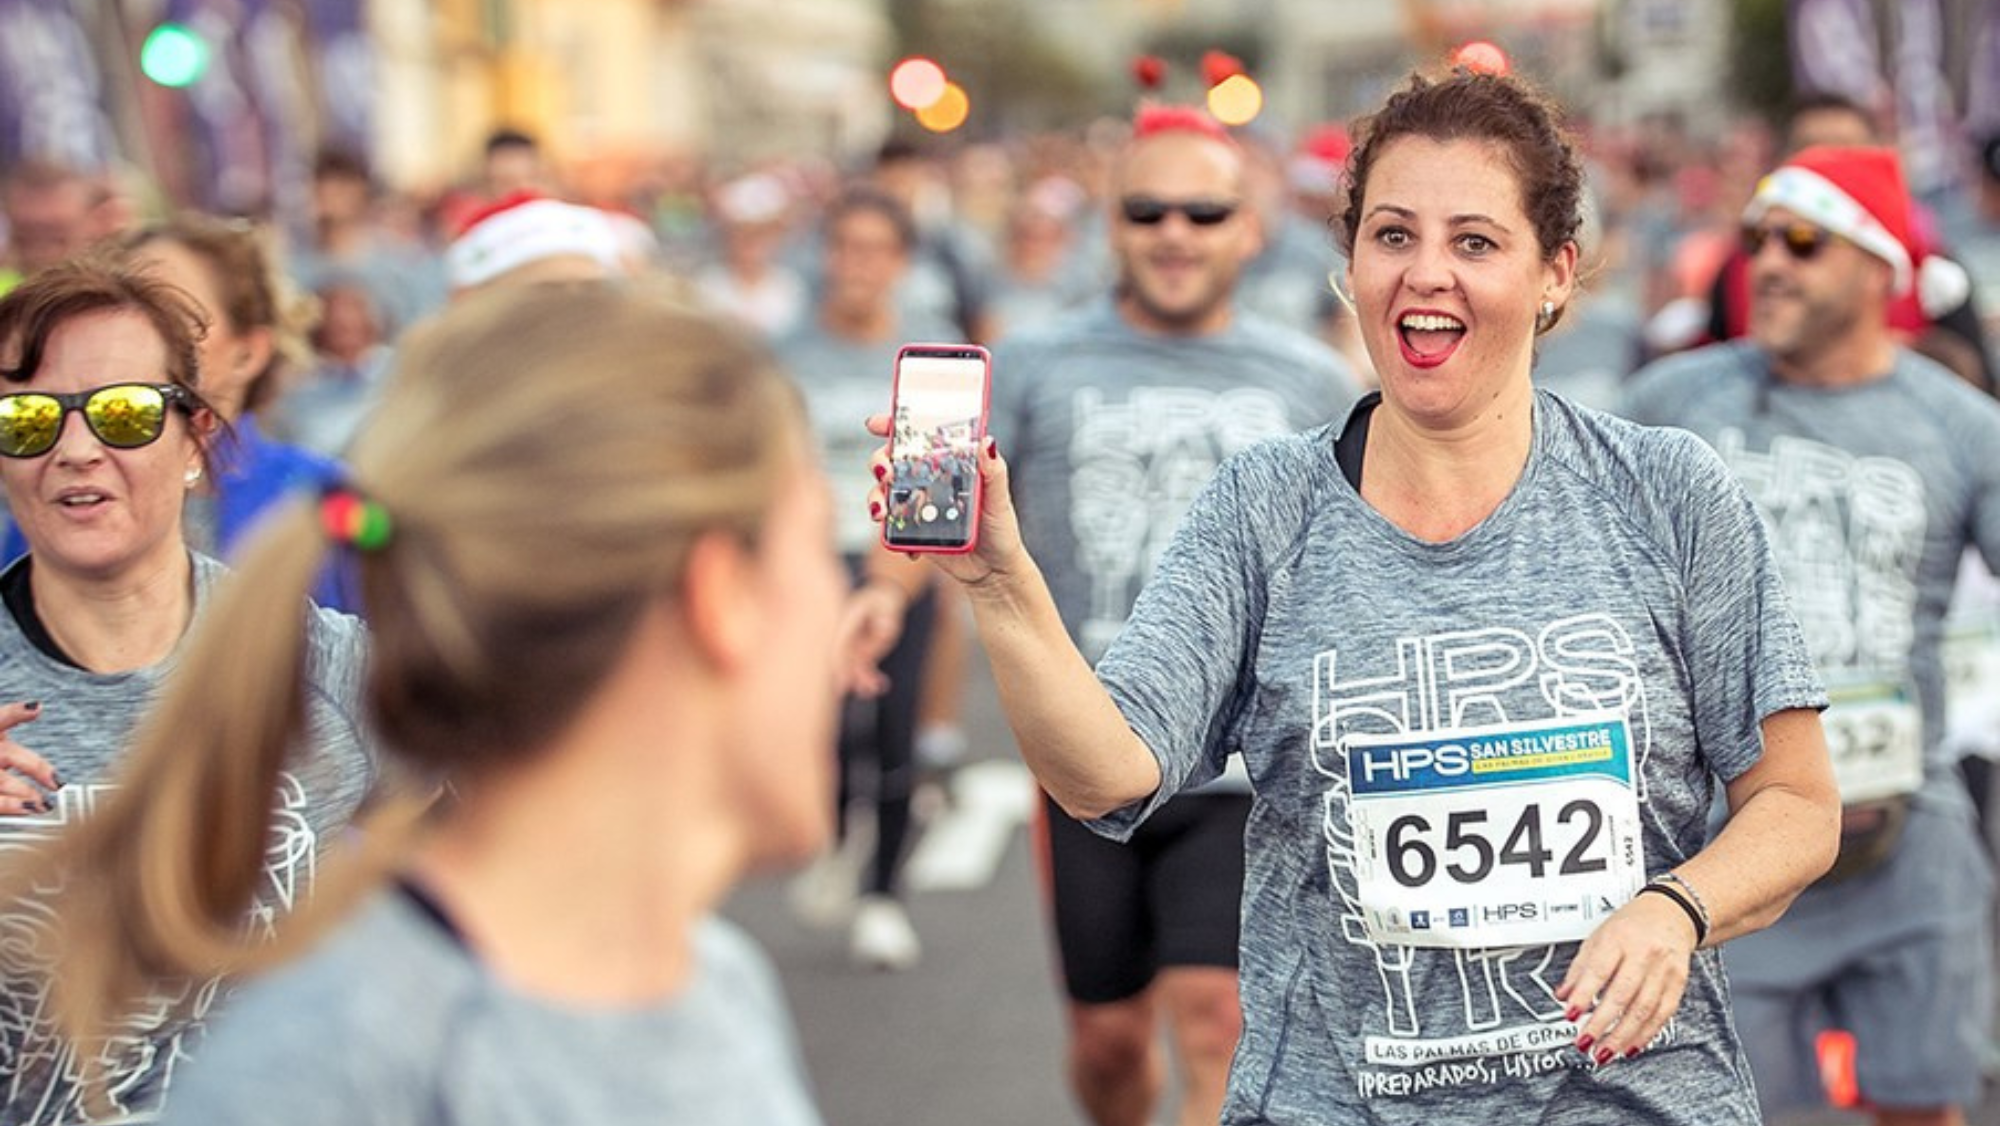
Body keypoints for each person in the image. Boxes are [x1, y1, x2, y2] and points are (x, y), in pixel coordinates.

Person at [869, 67, 1839, 1121]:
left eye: (1473, 241)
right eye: (1391, 236)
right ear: (1348, 264)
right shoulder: (1260, 506)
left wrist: (1674, 906)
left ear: (1554, 273)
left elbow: (1792, 803)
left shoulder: (1666, 491)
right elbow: (1107, 774)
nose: (1426, 274)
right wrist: (1001, 580)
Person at [11, 281, 840, 1125]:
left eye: (121, 413)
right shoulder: (344, 1071)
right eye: (816, 546)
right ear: (720, 595)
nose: (76, 449)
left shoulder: (718, 989)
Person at [990, 104, 1358, 1126]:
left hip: (1247, 762)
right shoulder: (1030, 363)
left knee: (1212, 1017)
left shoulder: (1310, 379)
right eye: (1146, 210)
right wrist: (884, 601)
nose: (1173, 234)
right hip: (1088, 746)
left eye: (1203, 212)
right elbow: (958, 521)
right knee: (1107, 1042)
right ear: (1110, 223)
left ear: (1250, 227)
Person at [1623, 143, 2000, 1126]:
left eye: (1801, 240)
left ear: (1879, 267)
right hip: (1725, 841)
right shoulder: (1672, 404)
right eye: (1754, 240)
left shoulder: (1959, 426)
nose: (1769, 263)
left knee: (1921, 1107)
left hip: (1907, 838)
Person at [0, 255, 375, 1124]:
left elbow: (513, 884)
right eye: (25, 420)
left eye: (124, 415)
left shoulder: (326, 668)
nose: (76, 449)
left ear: (198, 438)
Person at [778, 187, 953, 970]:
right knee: (825, 727)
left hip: (899, 561)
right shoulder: (784, 355)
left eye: (874, 250)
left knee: (891, 727)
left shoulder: (930, 353)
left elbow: (941, 487)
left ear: (900, 263)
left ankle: (883, 892)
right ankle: (832, 835)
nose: (856, 266)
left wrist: (897, 576)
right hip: (810, 566)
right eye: (843, 247)